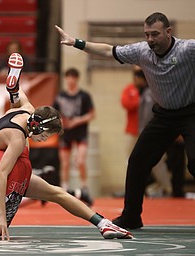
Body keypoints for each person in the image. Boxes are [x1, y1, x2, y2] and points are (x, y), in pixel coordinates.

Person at [0, 53, 133, 240]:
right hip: (11, 167)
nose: (44, 140)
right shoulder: (24, 122)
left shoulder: (23, 126)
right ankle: (102, 223)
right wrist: (0, 217)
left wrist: (0, 217)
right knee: (56, 193)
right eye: (46, 136)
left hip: (9, 167)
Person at [55, 12, 195, 229]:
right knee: (137, 162)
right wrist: (76, 43)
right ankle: (131, 216)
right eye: (147, 34)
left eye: (155, 34)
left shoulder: (187, 50)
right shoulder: (141, 51)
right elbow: (107, 50)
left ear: (169, 32)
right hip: (163, 116)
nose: (150, 39)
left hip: (190, 113)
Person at [53, 67, 95, 206]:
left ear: (77, 79)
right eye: (68, 77)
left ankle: (84, 186)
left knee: (80, 161)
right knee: (65, 163)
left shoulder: (84, 96)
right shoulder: (60, 97)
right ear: (66, 79)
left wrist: (77, 120)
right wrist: (61, 123)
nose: (71, 80)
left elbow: (92, 114)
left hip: (80, 132)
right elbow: (54, 114)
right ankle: (64, 189)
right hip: (66, 133)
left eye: (73, 77)